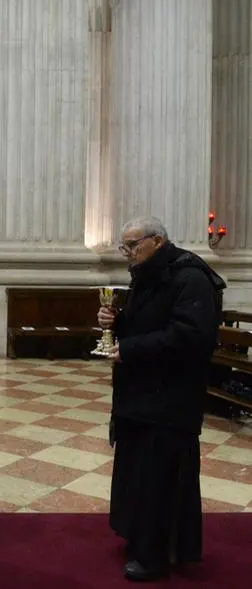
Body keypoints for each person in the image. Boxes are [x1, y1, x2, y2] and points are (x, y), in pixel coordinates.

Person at [99, 217, 224, 582]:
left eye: (132, 245)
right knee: (138, 474)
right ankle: (140, 538)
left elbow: (190, 336)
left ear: (156, 241)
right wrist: (117, 323)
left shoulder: (191, 277)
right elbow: (148, 324)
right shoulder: (149, 274)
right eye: (124, 247)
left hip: (170, 400)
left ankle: (156, 555)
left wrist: (130, 349)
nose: (128, 253)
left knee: (160, 479)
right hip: (142, 396)